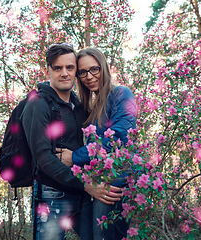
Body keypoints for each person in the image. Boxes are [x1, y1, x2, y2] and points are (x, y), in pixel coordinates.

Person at [21, 43, 123, 240]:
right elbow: (43, 158)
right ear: (48, 70)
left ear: (76, 71)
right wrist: (85, 184)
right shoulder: (38, 104)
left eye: (70, 67)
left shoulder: (78, 105)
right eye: (57, 68)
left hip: (81, 196)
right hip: (52, 195)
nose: (64, 73)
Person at [57, 47, 137, 240]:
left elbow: (118, 139)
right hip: (96, 184)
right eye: (82, 72)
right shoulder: (91, 108)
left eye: (94, 69)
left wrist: (74, 157)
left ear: (104, 68)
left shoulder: (121, 94)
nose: (89, 76)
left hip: (114, 183)